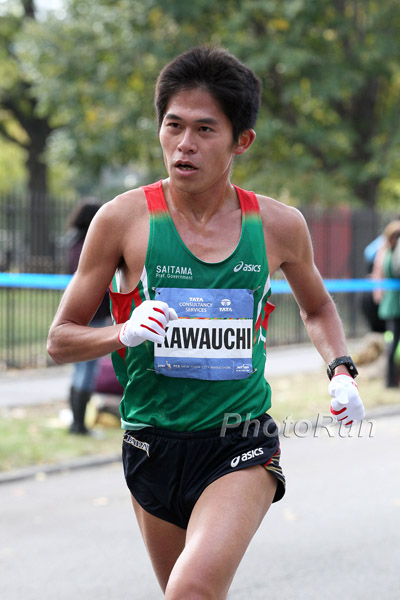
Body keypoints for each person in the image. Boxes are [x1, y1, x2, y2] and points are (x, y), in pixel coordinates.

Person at [47, 46, 365, 598]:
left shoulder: (278, 225)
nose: (184, 144)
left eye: (204, 129)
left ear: (242, 140)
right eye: (173, 126)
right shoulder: (122, 219)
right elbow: (59, 340)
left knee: (190, 589)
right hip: (151, 441)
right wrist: (123, 332)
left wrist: (340, 369)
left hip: (239, 439)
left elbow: (317, 307)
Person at [65, 200, 111, 434]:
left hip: (78, 313)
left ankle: (77, 421)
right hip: (95, 313)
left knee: (80, 369)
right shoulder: (91, 245)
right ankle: (79, 424)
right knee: (88, 369)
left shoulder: (73, 243)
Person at [377, 220, 400, 387]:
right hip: (395, 304)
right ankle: (390, 380)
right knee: (393, 345)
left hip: (392, 303)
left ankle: (392, 379)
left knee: (392, 344)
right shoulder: (392, 255)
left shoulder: (387, 253)